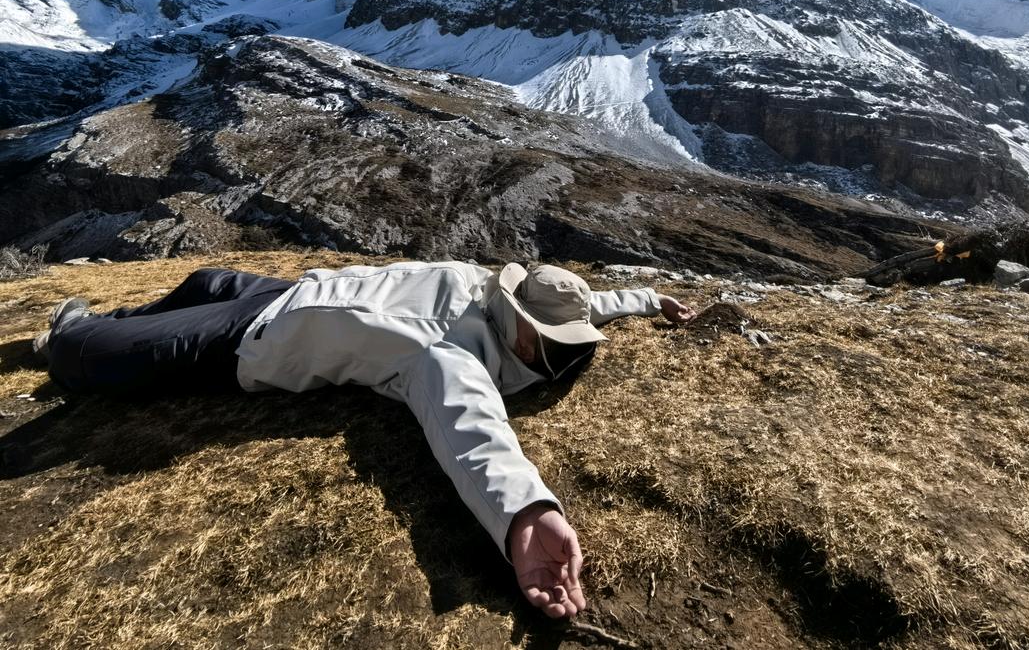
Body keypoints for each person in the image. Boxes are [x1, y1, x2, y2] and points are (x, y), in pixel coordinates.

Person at [34, 259, 697, 619]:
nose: (554, 345)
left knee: (91, 362)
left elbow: (474, 430)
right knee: (201, 280)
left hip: (252, 341)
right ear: (516, 308)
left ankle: (69, 334)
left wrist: (526, 510)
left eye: (558, 344)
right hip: (287, 293)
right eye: (545, 334)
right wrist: (648, 297)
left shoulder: (447, 357)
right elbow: (592, 301)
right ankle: (119, 319)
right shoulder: (500, 295)